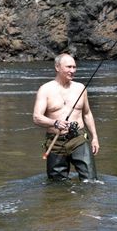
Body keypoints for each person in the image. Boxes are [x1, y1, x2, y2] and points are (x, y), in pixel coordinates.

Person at [33, 53, 99, 181]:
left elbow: (87, 114)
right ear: (57, 67)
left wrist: (95, 138)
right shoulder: (45, 89)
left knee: (90, 180)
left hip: (78, 138)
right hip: (55, 142)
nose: (72, 71)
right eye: (69, 67)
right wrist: (55, 123)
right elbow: (37, 117)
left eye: (74, 67)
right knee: (57, 184)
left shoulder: (81, 88)